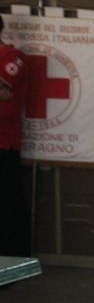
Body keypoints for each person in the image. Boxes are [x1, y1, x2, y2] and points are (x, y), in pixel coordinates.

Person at [0, 15, 29, 256]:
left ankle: (11, 262)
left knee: (7, 205)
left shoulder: (13, 57)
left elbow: (4, 91)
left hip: (3, 141)